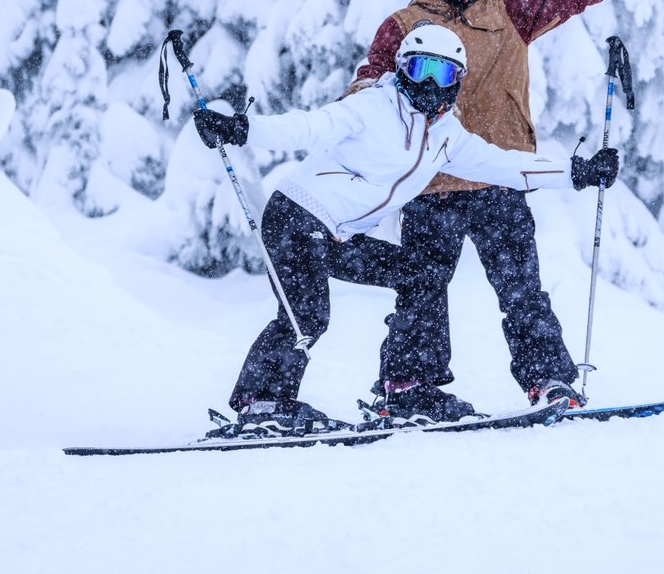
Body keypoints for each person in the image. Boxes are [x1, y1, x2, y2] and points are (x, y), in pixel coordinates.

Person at [345, 0, 664, 420]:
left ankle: (549, 379)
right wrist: (367, 103)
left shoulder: (508, 12)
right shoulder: (403, 26)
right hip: (431, 184)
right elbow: (367, 85)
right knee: (422, 289)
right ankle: (409, 385)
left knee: (522, 290)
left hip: (500, 179)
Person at [193, 24, 620, 434]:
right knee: (306, 314)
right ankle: (263, 401)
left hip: (339, 236)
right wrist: (243, 129)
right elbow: (309, 126)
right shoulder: (372, 107)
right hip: (297, 218)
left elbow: (505, 165)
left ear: (457, 82)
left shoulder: (447, 137)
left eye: (443, 74)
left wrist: (577, 172)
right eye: (420, 70)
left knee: (422, 274)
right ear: (401, 70)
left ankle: (407, 387)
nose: (430, 84)